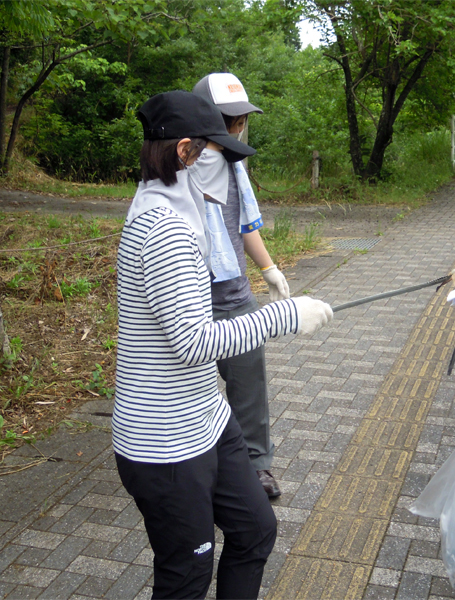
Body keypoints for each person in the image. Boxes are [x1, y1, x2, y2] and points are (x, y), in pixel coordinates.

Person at [113, 90, 332, 599]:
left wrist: (271, 275)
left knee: (255, 529)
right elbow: (193, 342)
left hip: (207, 420)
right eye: (218, 150)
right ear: (187, 152)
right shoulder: (163, 226)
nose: (228, 161)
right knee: (187, 575)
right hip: (164, 444)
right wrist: (283, 316)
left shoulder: (182, 207)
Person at [190, 72, 288, 498]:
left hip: (234, 296)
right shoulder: (179, 166)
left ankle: (257, 465)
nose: (236, 127)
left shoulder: (236, 162)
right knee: (189, 393)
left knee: (250, 390)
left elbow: (243, 226)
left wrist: (269, 269)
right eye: (228, 120)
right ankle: (197, 464)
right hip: (188, 303)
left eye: (241, 119)